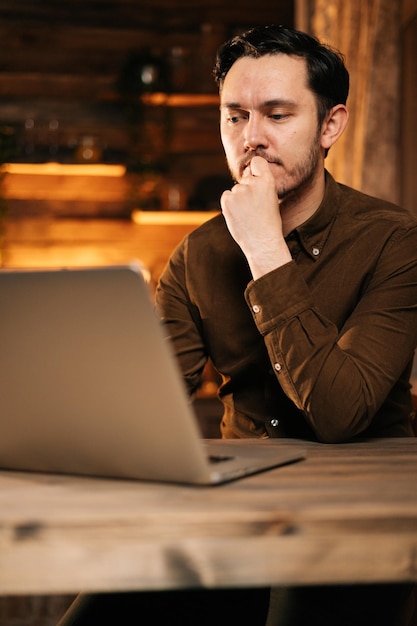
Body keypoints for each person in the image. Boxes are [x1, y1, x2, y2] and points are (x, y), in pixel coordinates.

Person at [57, 24, 417, 626]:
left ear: (330, 126)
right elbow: (146, 413)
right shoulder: (197, 254)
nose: (251, 139)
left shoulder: (394, 241)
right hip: (231, 511)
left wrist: (265, 252)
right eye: (235, 117)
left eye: (277, 115)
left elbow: (338, 413)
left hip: (357, 515)